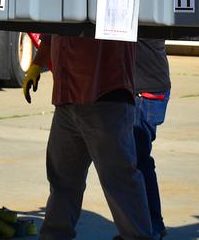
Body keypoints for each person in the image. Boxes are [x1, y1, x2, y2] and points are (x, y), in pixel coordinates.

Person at [22, 35, 154, 240]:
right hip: (66, 99)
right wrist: (37, 64)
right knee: (62, 180)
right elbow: (52, 30)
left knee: (119, 181)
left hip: (105, 96)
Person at [133, 39, 170, 238]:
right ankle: (145, 226)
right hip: (148, 88)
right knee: (136, 162)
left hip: (144, 92)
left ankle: (151, 226)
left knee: (138, 163)